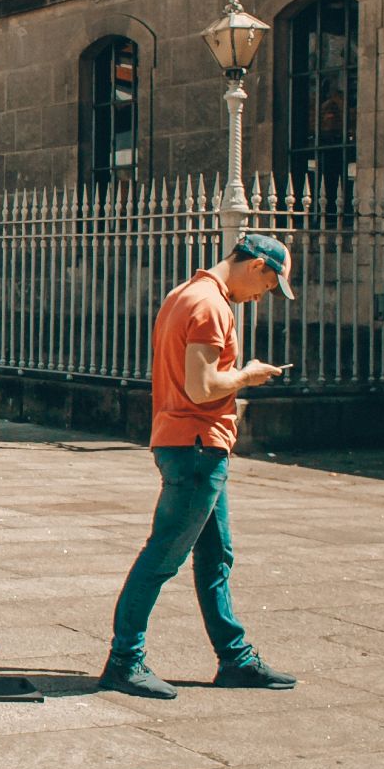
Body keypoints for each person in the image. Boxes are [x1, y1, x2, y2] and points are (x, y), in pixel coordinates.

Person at [100, 234, 299, 699]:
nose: (265, 296)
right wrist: (247, 376)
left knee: (215, 557)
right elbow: (202, 386)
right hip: (196, 448)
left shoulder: (183, 294)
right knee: (163, 556)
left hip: (190, 444)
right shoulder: (212, 306)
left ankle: (235, 658)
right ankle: (124, 661)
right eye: (270, 285)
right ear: (255, 266)